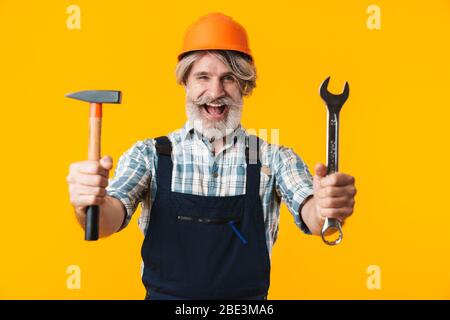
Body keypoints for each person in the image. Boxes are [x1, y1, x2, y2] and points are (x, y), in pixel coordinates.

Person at [66, 12, 357, 300]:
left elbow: (314, 216)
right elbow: (106, 221)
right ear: (186, 83)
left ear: (244, 86)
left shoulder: (274, 158)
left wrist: (327, 205)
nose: (215, 92)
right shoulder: (149, 155)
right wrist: (88, 203)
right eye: (203, 77)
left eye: (228, 78)